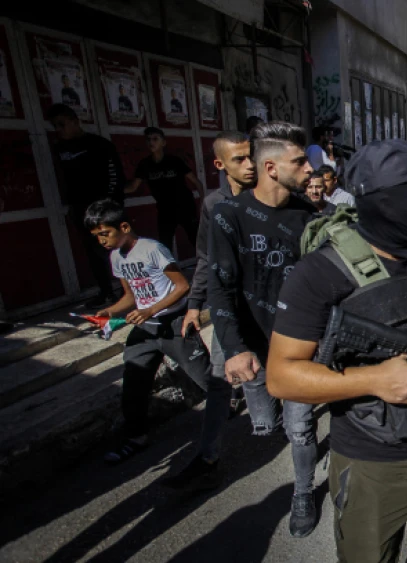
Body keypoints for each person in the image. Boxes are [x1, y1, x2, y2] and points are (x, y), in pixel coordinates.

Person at [266, 139, 407, 563]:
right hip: (374, 463)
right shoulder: (319, 272)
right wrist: (373, 379)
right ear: (387, 202)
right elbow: (281, 376)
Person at [207, 121, 321, 537]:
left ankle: (304, 493)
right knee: (265, 425)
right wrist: (235, 349)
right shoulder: (228, 216)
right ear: (271, 168)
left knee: (299, 428)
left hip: (299, 348)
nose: (310, 169)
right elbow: (219, 289)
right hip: (253, 346)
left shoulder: (309, 216)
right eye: (300, 162)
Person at [84, 200, 225, 480]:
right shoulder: (116, 257)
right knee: (134, 382)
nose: (101, 241)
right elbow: (130, 296)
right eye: (97, 237)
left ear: (124, 227)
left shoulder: (151, 249)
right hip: (145, 329)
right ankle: (136, 437)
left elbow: (182, 286)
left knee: (206, 379)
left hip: (173, 324)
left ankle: (229, 406)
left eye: (105, 234)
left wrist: (151, 309)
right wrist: (110, 311)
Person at [177, 131, 257, 486]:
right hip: (230, 307)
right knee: (219, 380)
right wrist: (194, 305)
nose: (250, 164)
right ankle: (207, 455)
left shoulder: (272, 196)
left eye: (252, 156)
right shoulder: (213, 204)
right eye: (240, 159)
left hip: (274, 307)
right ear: (220, 164)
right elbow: (205, 258)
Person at [48, 103, 125, 307]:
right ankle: (106, 292)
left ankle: (132, 292)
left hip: (104, 208)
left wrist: (110, 207)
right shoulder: (60, 148)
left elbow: (115, 176)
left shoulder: (99, 145)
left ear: (75, 122)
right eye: (55, 126)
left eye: (62, 124)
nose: (59, 129)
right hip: (81, 210)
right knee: (93, 251)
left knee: (116, 249)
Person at [124, 127, 205, 250]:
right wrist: (112, 190)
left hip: (185, 206)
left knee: (195, 239)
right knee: (165, 244)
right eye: (148, 140)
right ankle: (170, 269)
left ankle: (209, 267)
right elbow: (133, 187)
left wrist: (202, 202)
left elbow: (196, 182)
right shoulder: (144, 165)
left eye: (155, 139)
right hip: (165, 210)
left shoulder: (174, 161)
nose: (151, 142)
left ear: (163, 142)